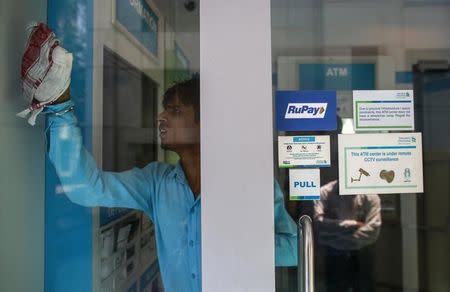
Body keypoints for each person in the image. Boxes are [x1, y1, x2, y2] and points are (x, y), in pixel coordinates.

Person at [21, 23, 297, 292]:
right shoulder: (157, 182)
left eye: (175, 111)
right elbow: (87, 188)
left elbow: (294, 247)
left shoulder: (251, 184)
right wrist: (60, 107)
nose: (161, 117)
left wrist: (240, 243)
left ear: (206, 123)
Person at [314, 180, 381, 292]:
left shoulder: (370, 195)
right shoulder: (324, 193)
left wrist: (333, 235)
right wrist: (354, 224)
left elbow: (373, 230)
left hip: (362, 255)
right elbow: (318, 224)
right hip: (334, 256)